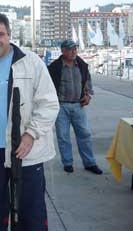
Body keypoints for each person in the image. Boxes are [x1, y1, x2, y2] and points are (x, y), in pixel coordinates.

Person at [0, 12, 59, 231]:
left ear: (9, 34)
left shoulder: (31, 62)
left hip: (25, 152)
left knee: (31, 216)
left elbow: (49, 104)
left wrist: (31, 134)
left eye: (0, 34)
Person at [48, 40, 103, 175]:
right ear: (63, 51)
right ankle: (67, 163)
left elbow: (88, 81)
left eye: (75, 49)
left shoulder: (82, 65)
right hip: (61, 106)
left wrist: (88, 95)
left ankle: (90, 163)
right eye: (70, 49)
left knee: (85, 134)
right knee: (63, 136)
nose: (74, 52)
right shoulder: (54, 67)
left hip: (79, 106)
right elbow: (47, 86)